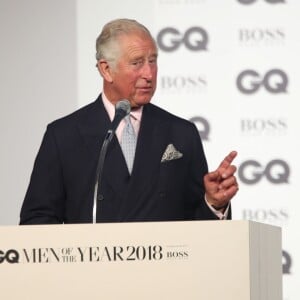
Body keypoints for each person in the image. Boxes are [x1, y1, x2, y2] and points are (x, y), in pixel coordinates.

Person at [19, 18, 238, 225]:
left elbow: (200, 230)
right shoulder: (64, 135)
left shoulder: (181, 133)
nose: (149, 74)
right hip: (95, 264)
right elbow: (38, 220)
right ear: (107, 70)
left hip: (165, 264)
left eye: (152, 61)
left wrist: (214, 203)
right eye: (137, 63)